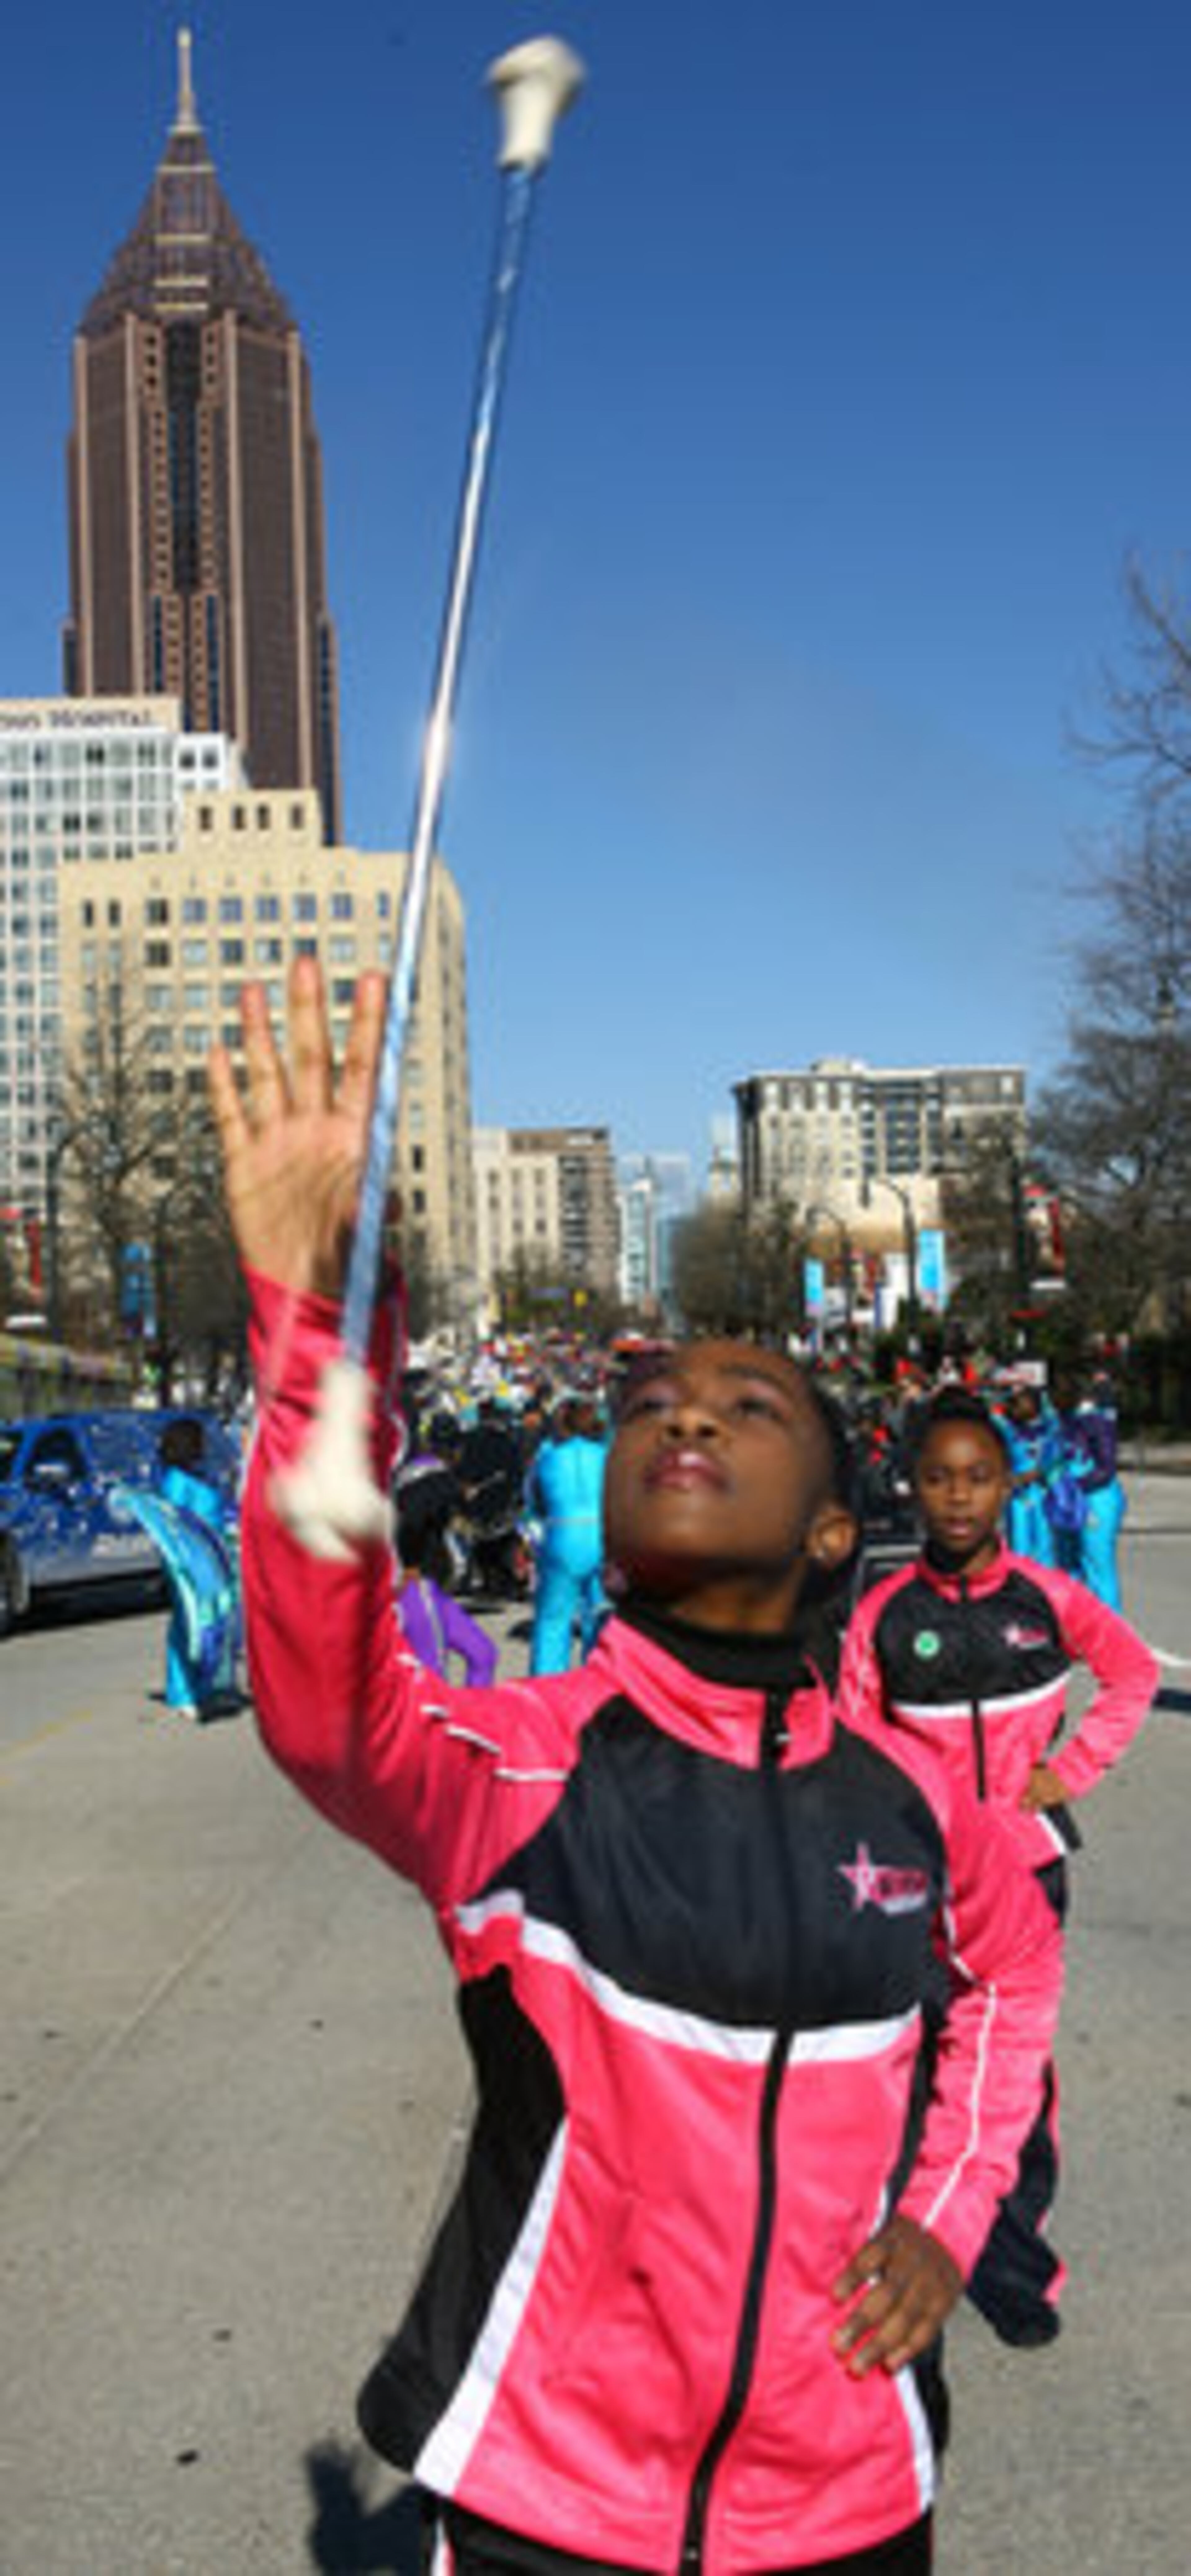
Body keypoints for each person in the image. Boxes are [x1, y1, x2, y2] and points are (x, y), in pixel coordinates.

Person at [209, 960, 1062, 2576]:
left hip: (848, 2504)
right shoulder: (527, 1769)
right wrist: (323, 1328)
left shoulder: (915, 1809)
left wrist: (952, 2220)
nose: (683, 1413)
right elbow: (328, 1703)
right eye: (654, 1401)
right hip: (554, 2504)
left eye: (749, 1404)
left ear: (832, 1526)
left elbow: (1016, 1973)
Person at [839, 1386, 1158, 2350]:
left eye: (977, 1477)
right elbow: (850, 1741)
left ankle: (1015, 2264)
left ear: (1007, 1482)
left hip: (1025, 1878)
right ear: (910, 1486)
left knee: (1010, 2078)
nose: (957, 1498)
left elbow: (1132, 1673)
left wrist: (1069, 1770)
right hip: (917, 1888)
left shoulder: (1045, 1598)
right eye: (936, 1478)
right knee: (910, 2065)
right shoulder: (883, 1615)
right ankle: (907, 2250)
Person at [154, 1416, 238, 1719]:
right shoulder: (176, 1481)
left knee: (211, 1622)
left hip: (213, 1559)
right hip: (188, 1562)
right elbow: (175, 1526)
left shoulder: (198, 1475)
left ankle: (206, 1688)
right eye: (199, 1440)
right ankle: (182, 1692)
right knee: (187, 1623)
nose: (205, 1446)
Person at [525, 1391, 608, 1672]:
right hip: (602, 1536)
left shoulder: (548, 1457)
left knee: (553, 1621)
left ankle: (546, 1690)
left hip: (563, 1535)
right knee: (599, 1617)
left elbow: (534, 1504)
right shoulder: (605, 1456)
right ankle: (599, 1685)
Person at [394, 1464, 498, 1689]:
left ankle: (471, 1717)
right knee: (432, 1673)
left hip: (433, 1590)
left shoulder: (436, 1480)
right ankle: (431, 1723)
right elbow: (413, 1516)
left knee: (483, 1653)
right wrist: (410, 1563)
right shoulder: (433, 1476)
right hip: (418, 1589)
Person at [1051, 1370, 1128, 1611]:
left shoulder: (1096, 1423)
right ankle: (1075, 1624)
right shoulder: (1061, 1422)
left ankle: (1110, 1629)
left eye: (1058, 1395)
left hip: (1098, 1500)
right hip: (1068, 1501)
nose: (1052, 1401)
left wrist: (1076, 1487)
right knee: (1067, 1565)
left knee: (1097, 1566)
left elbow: (1106, 1468)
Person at [995, 1379, 1060, 1568]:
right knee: (1019, 1544)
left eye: (1026, 1402)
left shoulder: (1049, 1428)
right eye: (1018, 1403)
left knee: (1045, 1545)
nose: (1022, 1407)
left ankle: (1045, 1588)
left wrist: (1040, 1471)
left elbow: (1055, 1456)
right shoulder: (1008, 1429)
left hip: (1043, 1492)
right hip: (1019, 1495)